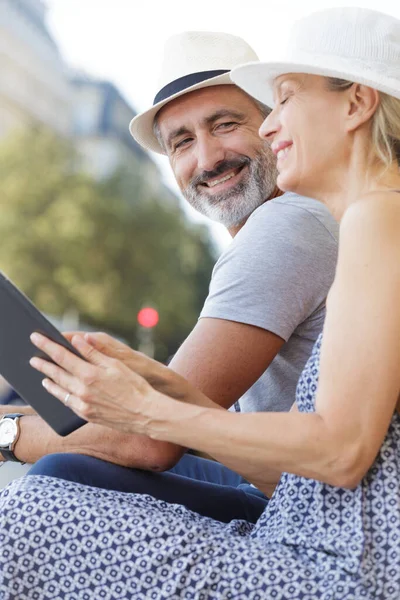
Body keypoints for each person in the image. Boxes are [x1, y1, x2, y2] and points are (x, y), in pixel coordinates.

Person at [2, 6, 400, 598]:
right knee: (52, 496)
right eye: (182, 141)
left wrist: (148, 409)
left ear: (355, 103)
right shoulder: (365, 218)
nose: (271, 128)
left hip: (336, 572)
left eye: (284, 99)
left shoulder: (358, 217)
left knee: (35, 514)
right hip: (321, 545)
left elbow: (341, 454)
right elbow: (320, 480)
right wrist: (159, 390)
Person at [0, 31, 338, 521]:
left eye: (224, 125)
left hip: (312, 512)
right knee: (73, 461)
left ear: (273, 126)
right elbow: (173, 418)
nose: (207, 158)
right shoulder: (292, 220)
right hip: (290, 490)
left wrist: (7, 434)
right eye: (182, 142)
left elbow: (149, 439)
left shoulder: (285, 226)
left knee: (61, 482)